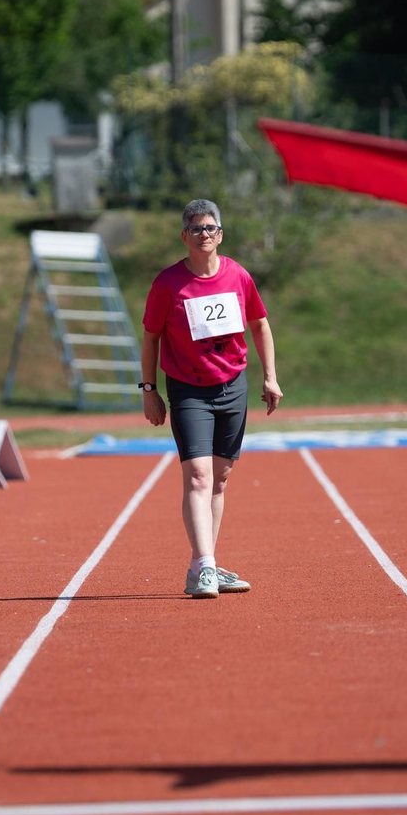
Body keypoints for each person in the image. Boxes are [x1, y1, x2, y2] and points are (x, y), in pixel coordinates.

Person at [140, 199, 283, 599]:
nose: (205, 234)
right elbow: (151, 338)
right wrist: (149, 390)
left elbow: (260, 325)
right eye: (197, 229)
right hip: (188, 389)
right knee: (198, 476)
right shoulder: (168, 284)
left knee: (219, 479)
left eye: (211, 228)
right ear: (184, 236)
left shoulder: (237, 275)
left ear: (221, 234)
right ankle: (204, 567)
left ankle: (205, 565)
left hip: (233, 386)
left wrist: (270, 377)